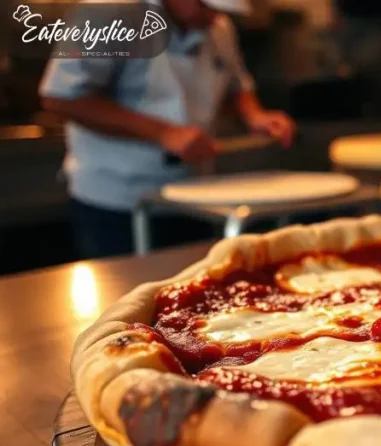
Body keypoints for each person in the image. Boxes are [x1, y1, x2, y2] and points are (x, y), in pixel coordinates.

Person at [39, 0, 295, 259]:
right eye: (204, 6)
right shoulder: (108, 13)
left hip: (196, 195)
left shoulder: (218, 26)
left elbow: (236, 81)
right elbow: (61, 97)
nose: (213, 15)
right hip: (117, 202)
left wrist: (254, 115)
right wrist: (163, 133)